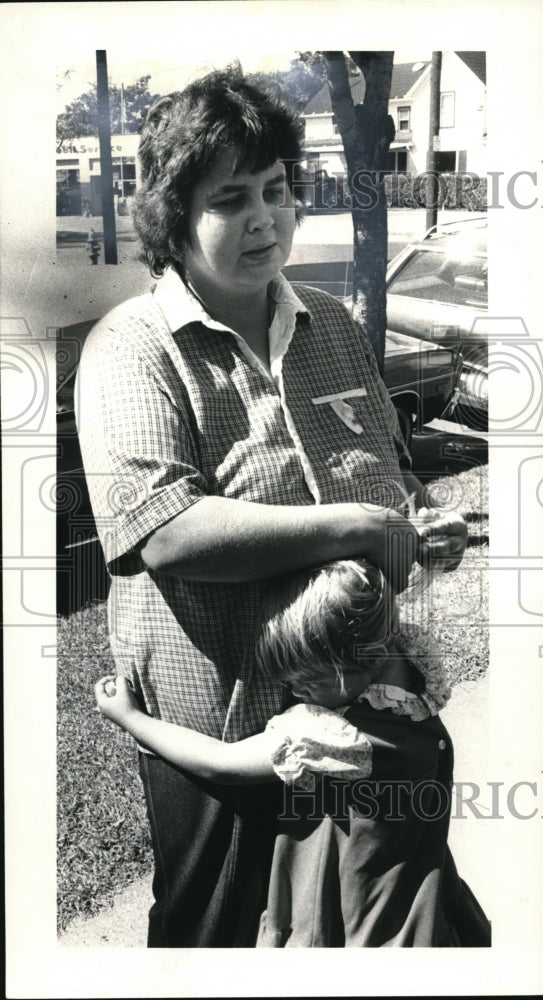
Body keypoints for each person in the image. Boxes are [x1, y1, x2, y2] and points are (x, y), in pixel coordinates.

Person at [76, 65, 468, 947]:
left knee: (353, 918)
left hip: (355, 702)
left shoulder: (329, 323)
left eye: (276, 190)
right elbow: (163, 530)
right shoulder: (132, 348)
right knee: (207, 930)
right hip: (217, 720)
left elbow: (384, 475)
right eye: (227, 200)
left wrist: (412, 521)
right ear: (173, 218)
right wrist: (356, 527)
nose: (263, 218)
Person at [95, 557, 490, 947]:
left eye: (308, 682)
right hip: (417, 880)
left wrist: (133, 719)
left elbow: (222, 764)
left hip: (356, 906)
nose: (296, 694)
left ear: (358, 660)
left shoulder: (332, 734)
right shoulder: (415, 667)